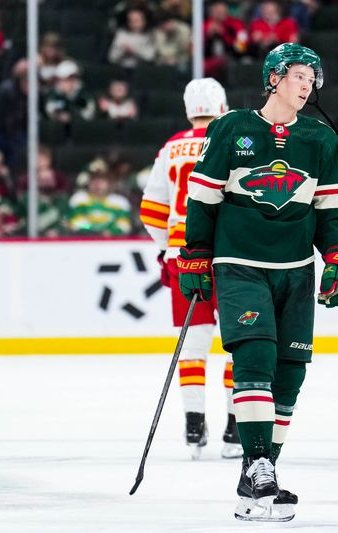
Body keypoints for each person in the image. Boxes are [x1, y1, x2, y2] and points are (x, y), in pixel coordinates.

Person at [178, 43, 338, 521]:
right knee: (253, 356)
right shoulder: (232, 127)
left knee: (289, 373)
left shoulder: (320, 139)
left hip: (297, 270)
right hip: (239, 263)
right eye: (299, 76)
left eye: (311, 79)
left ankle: (261, 477)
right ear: (274, 78)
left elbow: (332, 209)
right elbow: (202, 197)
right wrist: (196, 253)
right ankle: (257, 463)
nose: (307, 85)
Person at [140, 78, 241, 460]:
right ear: (222, 108)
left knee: (193, 347)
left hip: (184, 260)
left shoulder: (170, 148)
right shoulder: (230, 139)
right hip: (227, 258)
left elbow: (151, 211)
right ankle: (235, 431)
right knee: (238, 345)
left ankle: (194, 427)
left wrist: (168, 248)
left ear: (187, 110)